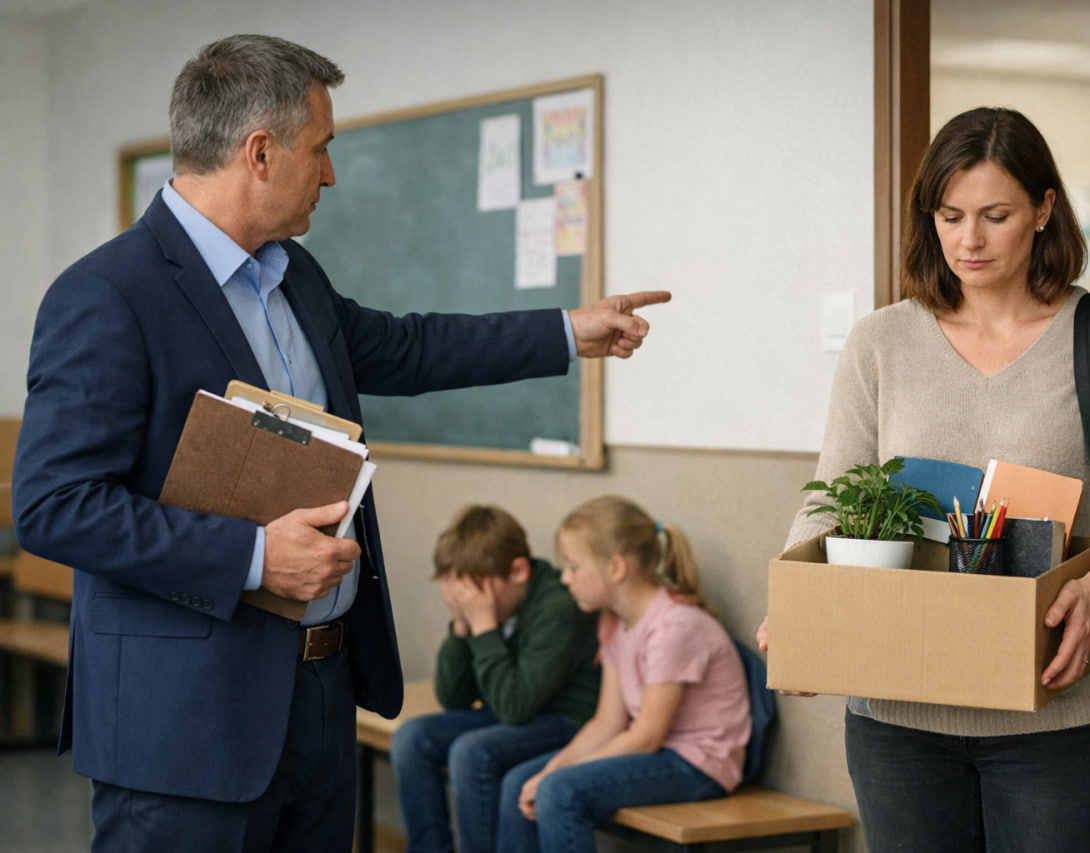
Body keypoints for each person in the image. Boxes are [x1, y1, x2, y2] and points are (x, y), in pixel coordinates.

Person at [10, 34, 669, 853]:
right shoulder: (106, 294)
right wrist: (255, 556)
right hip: (184, 727)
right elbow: (54, 506)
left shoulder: (295, 274)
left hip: (319, 698)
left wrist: (569, 330)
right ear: (259, 152)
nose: (330, 174)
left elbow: (410, 347)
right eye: (319, 148)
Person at [758, 107, 1090, 852]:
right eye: (949, 216)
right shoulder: (880, 342)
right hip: (896, 723)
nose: (968, 241)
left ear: (1044, 210)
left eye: (995, 216)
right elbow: (830, 499)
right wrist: (798, 607)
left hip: (1058, 723)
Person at [496, 496, 751, 852]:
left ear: (616, 567)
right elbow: (608, 721)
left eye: (573, 566)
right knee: (519, 782)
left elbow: (646, 737)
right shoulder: (614, 622)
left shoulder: (673, 627)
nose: (565, 578)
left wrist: (558, 774)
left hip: (699, 765)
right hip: (659, 751)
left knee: (559, 791)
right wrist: (554, 766)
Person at [390, 505, 600, 853]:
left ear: (518, 571)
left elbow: (515, 708)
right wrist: (462, 627)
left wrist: (484, 627)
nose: (471, 601)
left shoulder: (558, 607)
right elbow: (454, 699)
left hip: (567, 719)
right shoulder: (498, 605)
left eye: (477, 591)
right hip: (516, 711)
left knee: (473, 752)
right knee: (412, 737)